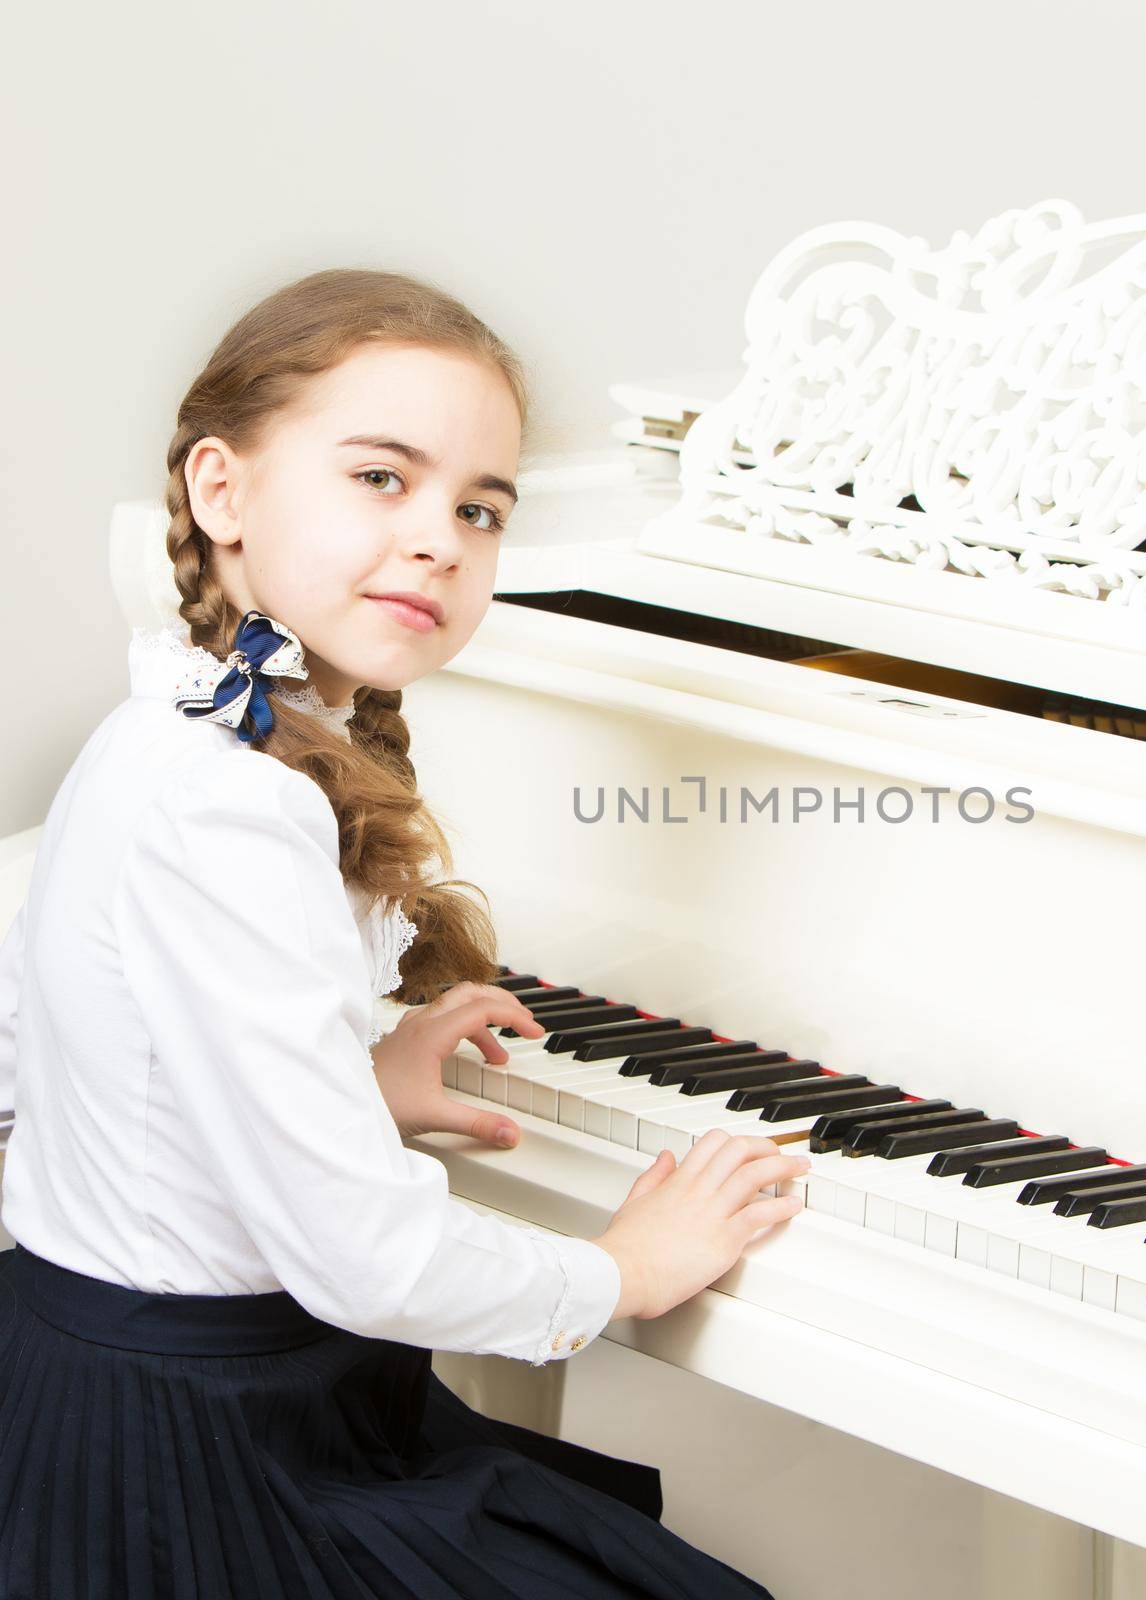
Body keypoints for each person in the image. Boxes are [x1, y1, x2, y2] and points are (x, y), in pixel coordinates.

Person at [0, 267, 807, 1599]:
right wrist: (618, 1273)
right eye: (382, 477)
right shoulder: (233, 806)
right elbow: (358, 1256)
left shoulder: (167, 731)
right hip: (190, 1463)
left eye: (480, 508)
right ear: (222, 491)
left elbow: (75, 1068)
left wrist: (351, 1085)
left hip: (117, 1388)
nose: (439, 535)